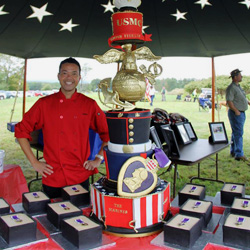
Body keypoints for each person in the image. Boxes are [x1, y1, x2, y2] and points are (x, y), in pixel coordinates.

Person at [15, 57, 110, 198]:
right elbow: (21, 131)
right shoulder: (44, 104)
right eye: (65, 73)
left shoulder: (89, 104)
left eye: (74, 73)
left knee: (79, 217)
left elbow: (107, 134)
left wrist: (98, 158)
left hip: (80, 174)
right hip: (53, 175)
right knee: (53, 216)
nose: (69, 77)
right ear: (59, 76)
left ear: (79, 77)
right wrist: (34, 162)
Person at [226, 69, 250, 162]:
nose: (241, 77)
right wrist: (236, 110)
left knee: (235, 132)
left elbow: (242, 97)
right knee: (238, 133)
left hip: (241, 113)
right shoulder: (231, 88)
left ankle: (233, 151)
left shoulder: (238, 87)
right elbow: (229, 101)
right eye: (240, 75)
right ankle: (239, 154)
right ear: (235, 77)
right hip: (236, 113)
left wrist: (248, 102)